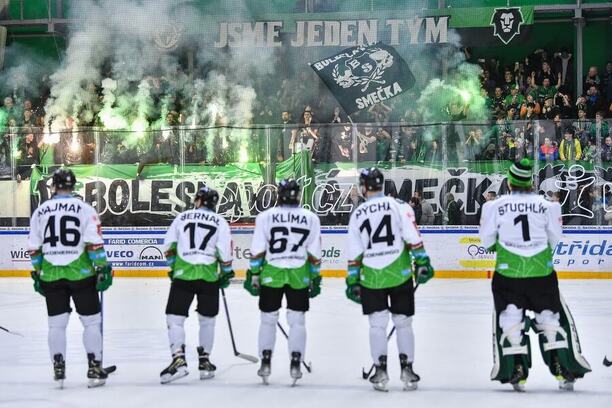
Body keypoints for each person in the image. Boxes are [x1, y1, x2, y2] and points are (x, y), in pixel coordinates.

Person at [480, 159, 591, 392]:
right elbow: (555, 239)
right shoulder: (549, 205)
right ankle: (562, 368)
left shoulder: (493, 206)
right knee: (550, 319)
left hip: (508, 275)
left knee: (510, 321)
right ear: (530, 182)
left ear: (510, 182)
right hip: (542, 273)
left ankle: (516, 370)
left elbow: (488, 242)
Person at [345, 168, 434, 392]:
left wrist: (353, 280)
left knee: (377, 324)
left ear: (364, 188)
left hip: (371, 277)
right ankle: (407, 370)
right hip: (399, 273)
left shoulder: (358, 214)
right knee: (403, 323)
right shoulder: (400, 206)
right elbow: (413, 238)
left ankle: (380, 369)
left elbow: (354, 253)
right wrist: (422, 263)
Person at [27, 168, 113, 388]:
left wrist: (38, 272)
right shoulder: (85, 209)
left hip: (51, 274)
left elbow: (34, 248)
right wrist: (102, 267)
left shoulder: (41, 211)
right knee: (91, 322)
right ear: (73, 186)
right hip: (81, 274)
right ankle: (94, 367)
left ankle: (58, 367)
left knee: (56, 325)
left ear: (53, 186)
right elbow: (94, 244)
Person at [243, 179, 322, 385]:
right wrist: (315, 277)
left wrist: (254, 274)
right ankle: (296, 361)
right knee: (297, 321)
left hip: (272, 272)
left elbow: (258, 249)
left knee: (268, 319)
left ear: (279, 195)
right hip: (299, 274)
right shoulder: (310, 218)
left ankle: (265, 361)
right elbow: (314, 254)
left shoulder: (265, 217)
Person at [159, 186, 234, 384]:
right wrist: (225, 273)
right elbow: (225, 253)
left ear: (199, 201)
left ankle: (178, 359)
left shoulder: (182, 218)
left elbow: (168, 246)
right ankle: (204, 361)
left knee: (175, 319)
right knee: (207, 320)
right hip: (209, 276)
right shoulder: (220, 221)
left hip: (184, 274)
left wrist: (174, 267)